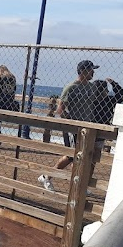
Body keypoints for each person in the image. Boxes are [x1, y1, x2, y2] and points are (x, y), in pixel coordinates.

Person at [39, 59, 99, 192]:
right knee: (73, 155)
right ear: (83, 71)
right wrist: (71, 123)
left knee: (83, 156)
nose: (93, 72)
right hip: (74, 127)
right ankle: (47, 176)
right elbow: (60, 110)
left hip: (87, 126)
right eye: (90, 70)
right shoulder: (71, 87)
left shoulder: (91, 87)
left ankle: (78, 185)